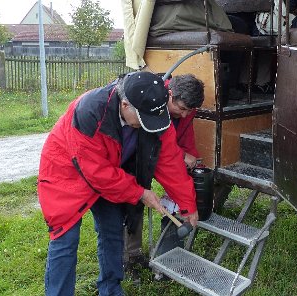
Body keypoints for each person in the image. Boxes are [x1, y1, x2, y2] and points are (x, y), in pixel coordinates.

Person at [38, 71, 199, 296]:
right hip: (67, 172)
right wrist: (140, 192)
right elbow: (97, 173)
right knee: (66, 239)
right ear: (125, 105)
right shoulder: (89, 111)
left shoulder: (155, 109)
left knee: (113, 230)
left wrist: (187, 205)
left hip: (112, 173)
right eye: (143, 121)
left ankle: (111, 288)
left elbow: (170, 160)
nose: (148, 126)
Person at [123, 73, 205, 280]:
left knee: (143, 198)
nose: (185, 115)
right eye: (182, 109)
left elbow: (183, 137)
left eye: (190, 111)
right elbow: (166, 158)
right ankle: (129, 257)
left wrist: (190, 156)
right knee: (130, 204)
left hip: (157, 152)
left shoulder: (184, 110)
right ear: (170, 95)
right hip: (133, 155)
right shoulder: (152, 101)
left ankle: (137, 255)